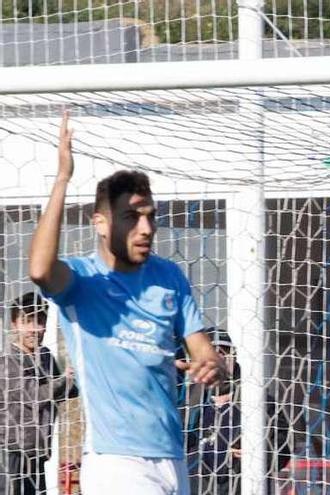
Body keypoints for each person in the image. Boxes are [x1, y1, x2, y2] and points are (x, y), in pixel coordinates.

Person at [29, 112, 226, 495]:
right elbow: (39, 269)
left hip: (172, 455)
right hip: (117, 460)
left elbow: (203, 350)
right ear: (100, 223)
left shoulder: (169, 276)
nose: (146, 229)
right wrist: (62, 180)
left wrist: (212, 365)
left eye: (150, 217)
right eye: (131, 217)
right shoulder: (81, 280)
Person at [183, 329, 290, 495]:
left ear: (235, 357)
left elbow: (282, 453)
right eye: (212, 352)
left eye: (225, 352)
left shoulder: (261, 403)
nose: (219, 358)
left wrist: (257, 451)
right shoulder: (187, 404)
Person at [0, 292, 78, 495]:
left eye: (40, 321)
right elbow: (33, 396)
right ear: (15, 324)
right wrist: (65, 379)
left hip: (37, 451)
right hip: (10, 452)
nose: (35, 329)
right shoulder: (7, 361)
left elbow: (62, 393)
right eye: (27, 322)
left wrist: (81, 375)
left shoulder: (45, 356)